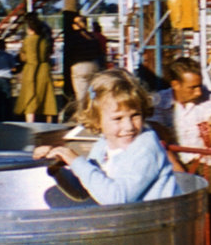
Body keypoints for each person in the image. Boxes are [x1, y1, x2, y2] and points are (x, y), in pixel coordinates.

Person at [33, 68, 180, 205]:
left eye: (135, 115)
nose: (129, 126)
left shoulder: (146, 148)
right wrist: (56, 165)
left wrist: (75, 160)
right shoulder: (103, 145)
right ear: (97, 120)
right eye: (118, 118)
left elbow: (116, 199)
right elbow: (85, 191)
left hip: (159, 225)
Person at [149, 57, 211, 171]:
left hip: (205, 161)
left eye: (199, 86)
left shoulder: (209, 98)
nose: (198, 92)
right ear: (175, 84)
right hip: (171, 161)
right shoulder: (159, 102)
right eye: (192, 88)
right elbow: (159, 140)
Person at [14, 14, 57, 122]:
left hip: (31, 70)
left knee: (30, 98)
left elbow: (23, 57)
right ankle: (50, 123)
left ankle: (30, 124)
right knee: (47, 98)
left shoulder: (28, 41)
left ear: (30, 29)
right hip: (45, 69)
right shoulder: (45, 41)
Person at [69, 14, 102, 103]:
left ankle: (83, 112)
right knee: (93, 93)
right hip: (94, 65)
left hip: (79, 66)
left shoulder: (73, 38)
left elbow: (70, 52)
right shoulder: (92, 36)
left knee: (81, 95)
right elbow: (99, 51)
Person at [0, 39, 17, 120]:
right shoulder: (8, 56)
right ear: (4, 46)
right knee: (7, 99)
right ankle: (8, 117)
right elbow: (13, 67)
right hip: (5, 78)